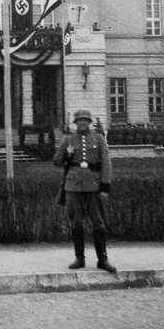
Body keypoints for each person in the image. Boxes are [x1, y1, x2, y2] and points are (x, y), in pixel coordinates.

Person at [53, 109, 116, 274]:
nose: (82, 123)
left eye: (85, 120)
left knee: (98, 223)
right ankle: (79, 258)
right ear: (75, 123)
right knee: (77, 223)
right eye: (79, 120)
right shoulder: (68, 140)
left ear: (89, 122)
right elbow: (57, 161)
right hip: (73, 186)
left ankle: (103, 259)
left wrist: (105, 186)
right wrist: (67, 154)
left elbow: (106, 164)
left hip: (94, 186)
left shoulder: (99, 139)